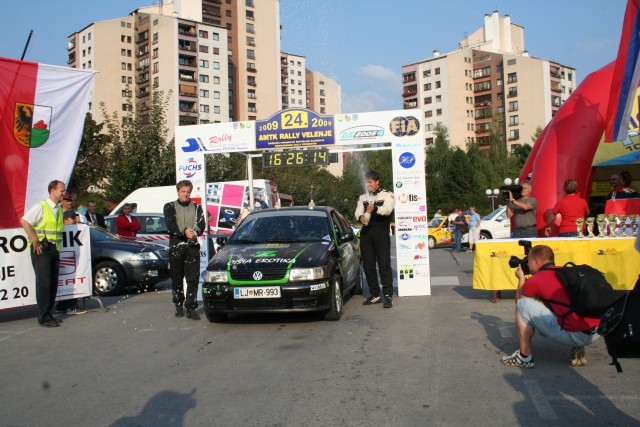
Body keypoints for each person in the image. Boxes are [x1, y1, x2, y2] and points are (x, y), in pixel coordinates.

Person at [500, 245, 600, 369]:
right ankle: (578, 347)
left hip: (576, 335)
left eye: (528, 261)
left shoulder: (536, 279)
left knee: (523, 304)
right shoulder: (565, 273)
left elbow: (520, 304)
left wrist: (521, 279)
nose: (527, 265)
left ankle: (524, 357)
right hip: (596, 332)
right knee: (566, 304)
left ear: (535, 261)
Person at [20, 180, 66, 327]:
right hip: (42, 249)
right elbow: (25, 221)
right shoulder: (41, 206)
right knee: (44, 283)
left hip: (53, 250)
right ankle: (43, 316)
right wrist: (35, 240)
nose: (63, 193)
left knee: (52, 283)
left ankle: (48, 313)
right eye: (61, 190)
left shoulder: (58, 209)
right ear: (52, 191)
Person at [164, 180, 206, 320]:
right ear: (178, 191)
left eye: (188, 192)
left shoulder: (196, 207)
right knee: (177, 278)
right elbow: (170, 225)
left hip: (192, 247)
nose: (186, 194)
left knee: (192, 279)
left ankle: (191, 307)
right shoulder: (169, 206)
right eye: (183, 191)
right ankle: (178, 305)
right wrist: (184, 231)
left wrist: (196, 232)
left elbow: (202, 223)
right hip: (176, 246)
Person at [355, 170, 395, 308]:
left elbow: (388, 210)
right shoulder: (363, 197)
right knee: (368, 265)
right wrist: (360, 217)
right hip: (366, 234)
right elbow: (358, 212)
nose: (368, 184)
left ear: (377, 181)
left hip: (381, 233)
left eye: (370, 182)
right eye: (366, 182)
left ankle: (388, 295)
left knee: (384, 265)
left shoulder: (387, 195)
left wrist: (375, 209)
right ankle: (375, 294)